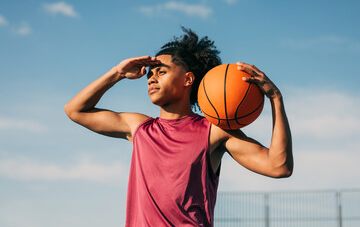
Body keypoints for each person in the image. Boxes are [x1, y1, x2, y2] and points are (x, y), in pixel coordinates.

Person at [64, 27, 293, 227]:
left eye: (161, 72)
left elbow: (279, 166)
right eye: (149, 76)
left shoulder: (213, 131)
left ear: (188, 80)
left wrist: (275, 98)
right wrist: (117, 73)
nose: (152, 78)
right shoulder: (140, 128)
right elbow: (75, 110)